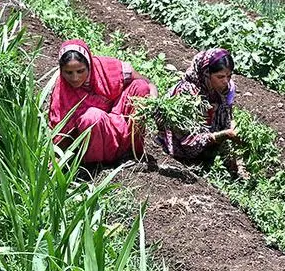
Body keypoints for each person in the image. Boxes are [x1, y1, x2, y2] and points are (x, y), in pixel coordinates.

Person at [47, 38, 157, 165]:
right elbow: (61, 134)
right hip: (96, 138)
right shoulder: (62, 93)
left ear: (89, 65)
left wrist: (153, 101)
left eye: (80, 71)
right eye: (69, 73)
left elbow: (149, 84)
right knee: (92, 116)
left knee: (141, 87)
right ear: (61, 71)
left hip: (118, 119)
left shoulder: (107, 69)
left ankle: (131, 150)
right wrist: (56, 159)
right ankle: (96, 164)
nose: (75, 78)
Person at [160, 48, 247, 178]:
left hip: (208, 137)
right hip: (182, 145)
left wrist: (232, 125)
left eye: (229, 76)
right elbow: (187, 139)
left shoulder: (223, 89)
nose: (226, 81)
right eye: (220, 77)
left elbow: (227, 114)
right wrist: (223, 135)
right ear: (206, 73)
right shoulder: (186, 93)